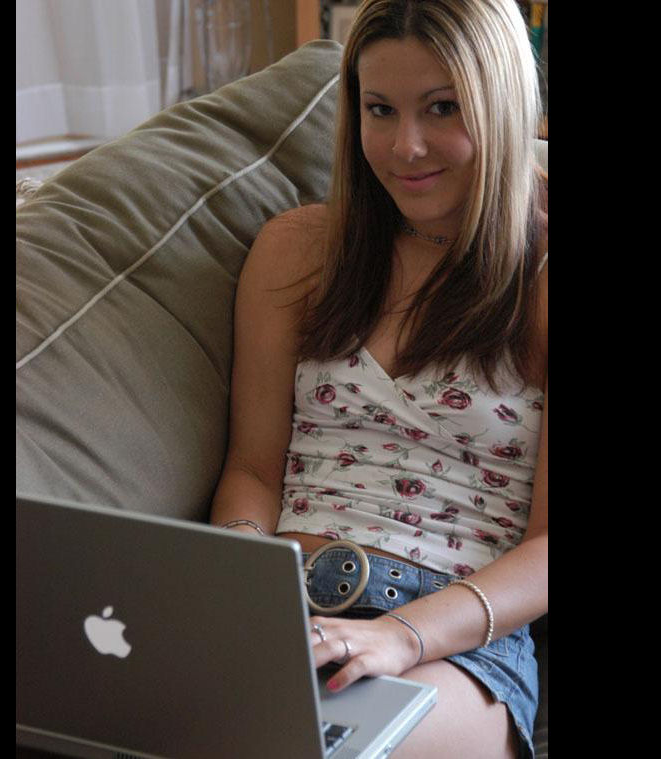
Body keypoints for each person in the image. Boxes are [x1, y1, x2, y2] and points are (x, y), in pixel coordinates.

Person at [210, 1, 547, 756]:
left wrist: (399, 635)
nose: (406, 146)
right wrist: (243, 579)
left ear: (500, 106)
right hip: (284, 603)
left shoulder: (541, 280)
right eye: (380, 110)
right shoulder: (298, 252)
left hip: (455, 640)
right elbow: (253, 468)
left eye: (442, 107)